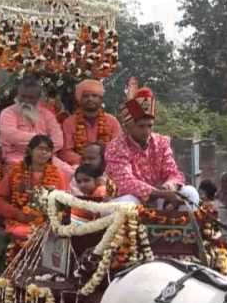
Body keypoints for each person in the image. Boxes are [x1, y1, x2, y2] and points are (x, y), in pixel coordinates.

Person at [105, 79, 185, 208]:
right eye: (141, 126)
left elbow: (173, 174)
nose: (146, 131)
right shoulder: (116, 146)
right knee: (128, 204)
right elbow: (125, 183)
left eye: (150, 126)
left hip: (159, 198)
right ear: (128, 127)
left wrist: (168, 187)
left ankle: (176, 227)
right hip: (126, 200)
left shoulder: (161, 142)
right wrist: (160, 194)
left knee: (189, 193)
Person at [0, 135, 68, 243]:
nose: (44, 152)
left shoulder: (58, 174)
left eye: (48, 150)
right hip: (17, 220)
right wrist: (17, 214)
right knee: (21, 232)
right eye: (40, 148)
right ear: (30, 151)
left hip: (46, 223)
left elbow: (62, 204)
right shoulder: (15, 171)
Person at [0, 74, 73, 181]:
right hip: (17, 157)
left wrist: (40, 150)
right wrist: (42, 141)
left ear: (38, 98)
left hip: (46, 157)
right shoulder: (8, 113)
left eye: (31, 98)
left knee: (69, 173)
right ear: (17, 95)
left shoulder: (47, 115)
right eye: (23, 97)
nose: (26, 101)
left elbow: (58, 141)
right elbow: (11, 136)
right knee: (25, 175)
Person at [61, 79, 121, 166]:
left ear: (100, 99)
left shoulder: (112, 121)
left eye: (94, 96)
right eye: (86, 96)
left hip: (107, 166)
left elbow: (118, 149)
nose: (90, 99)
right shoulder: (69, 123)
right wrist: (86, 162)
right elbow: (66, 152)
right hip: (79, 168)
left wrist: (101, 162)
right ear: (79, 99)